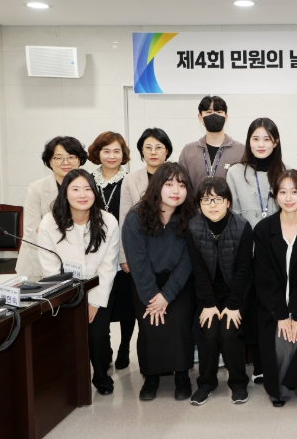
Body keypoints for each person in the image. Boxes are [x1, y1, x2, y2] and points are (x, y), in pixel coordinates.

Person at [38, 169, 119, 395]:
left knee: (97, 334)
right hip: (64, 290)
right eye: (75, 189)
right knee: (67, 334)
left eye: (87, 189)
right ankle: (69, 377)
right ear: (65, 193)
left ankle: (101, 376)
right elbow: (50, 268)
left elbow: (108, 266)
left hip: (99, 286)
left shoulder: (108, 221)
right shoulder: (49, 223)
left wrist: (94, 302)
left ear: (95, 192)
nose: (82, 195)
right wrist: (67, 299)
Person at [121, 162, 197, 402]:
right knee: (150, 325)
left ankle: (182, 375)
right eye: (169, 184)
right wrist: (153, 297)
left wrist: (167, 295)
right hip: (146, 282)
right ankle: (151, 377)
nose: (176, 190)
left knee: (179, 323)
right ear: (157, 186)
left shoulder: (191, 217)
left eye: (182, 185)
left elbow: (188, 261)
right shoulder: (135, 217)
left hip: (180, 283)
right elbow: (138, 263)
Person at [253, 170, 297, 407]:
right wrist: (282, 314)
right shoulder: (263, 229)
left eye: (294, 191)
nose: (288, 198)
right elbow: (264, 277)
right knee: (280, 336)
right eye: (283, 192)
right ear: (275, 195)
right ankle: (279, 388)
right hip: (272, 303)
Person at [226, 118, 285, 385]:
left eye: (267, 139)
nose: (261, 144)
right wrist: (247, 248)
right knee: (250, 310)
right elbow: (234, 213)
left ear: (276, 142)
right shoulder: (236, 172)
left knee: (273, 308)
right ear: (248, 142)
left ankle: (273, 361)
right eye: (255, 139)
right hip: (247, 252)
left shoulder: (284, 171)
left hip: (276, 254)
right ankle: (257, 364)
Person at [186, 177, 253, 406]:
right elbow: (198, 270)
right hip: (208, 294)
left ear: (228, 202)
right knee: (208, 333)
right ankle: (206, 383)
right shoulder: (193, 227)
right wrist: (208, 304)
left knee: (228, 333)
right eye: (206, 200)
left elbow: (244, 271)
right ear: (199, 204)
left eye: (217, 199)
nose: (212, 205)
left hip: (237, 292)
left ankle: (239, 383)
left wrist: (233, 306)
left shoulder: (242, 226)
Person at [116, 127, 173, 369]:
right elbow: (124, 219)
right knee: (146, 315)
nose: (153, 152)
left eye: (159, 147)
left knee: (170, 316)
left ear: (167, 151)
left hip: (169, 255)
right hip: (140, 256)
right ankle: (150, 368)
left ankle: (170, 363)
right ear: (141, 150)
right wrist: (124, 255)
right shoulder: (130, 179)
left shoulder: (176, 177)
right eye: (148, 147)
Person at [87, 132, 132, 370]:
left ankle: (125, 347)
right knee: (100, 303)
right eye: (106, 151)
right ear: (98, 153)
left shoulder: (130, 180)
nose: (112, 156)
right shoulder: (87, 181)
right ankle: (106, 347)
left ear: (124, 155)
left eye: (117, 151)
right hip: (95, 252)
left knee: (126, 304)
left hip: (123, 250)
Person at [16, 136, 87, 277]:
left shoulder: (88, 187)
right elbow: (32, 232)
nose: (65, 162)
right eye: (58, 158)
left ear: (79, 160)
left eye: (71, 157)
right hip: (38, 262)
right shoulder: (37, 188)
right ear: (50, 161)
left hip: (78, 262)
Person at [178, 95, 244, 189]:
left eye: (219, 112)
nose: (214, 115)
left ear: (226, 117)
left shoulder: (241, 151)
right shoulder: (188, 151)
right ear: (200, 117)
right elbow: (180, 184)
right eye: (209, 112)